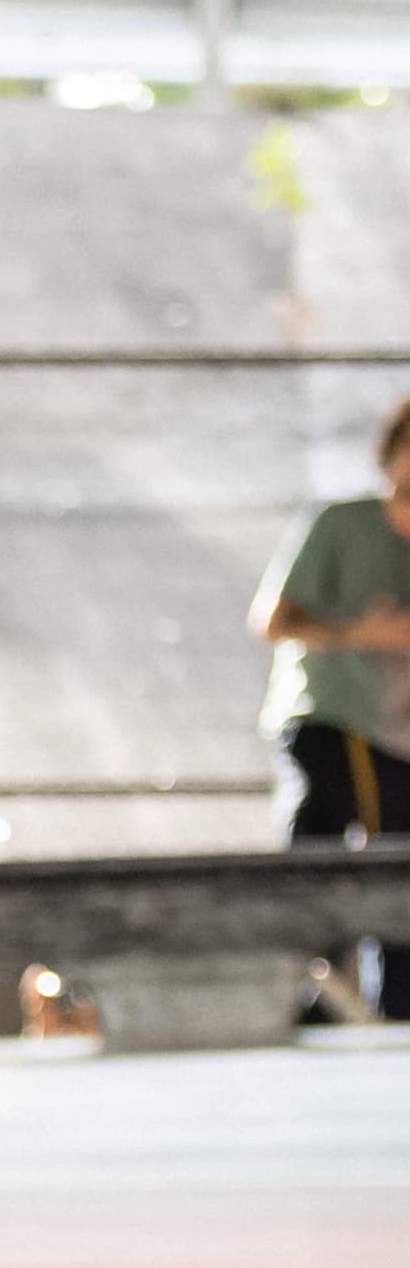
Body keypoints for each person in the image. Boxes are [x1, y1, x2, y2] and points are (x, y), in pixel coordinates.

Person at [253, 391, 410, 1021]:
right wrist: (358, 635)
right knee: (333, 849)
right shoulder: (343, 524)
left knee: (389, 862)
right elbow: (273, 618)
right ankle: (312, 993)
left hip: (397, 733)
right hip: (332, 717)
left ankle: (377, 1002)